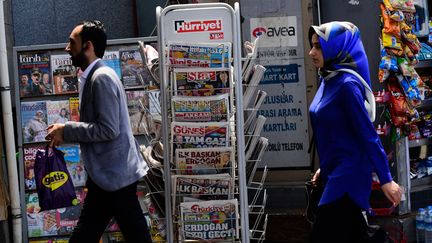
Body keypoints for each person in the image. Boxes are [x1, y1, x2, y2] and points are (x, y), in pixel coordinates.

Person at [45, 20, 152, 243]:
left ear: (88, 46)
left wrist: (67, 130)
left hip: (114, 177)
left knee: (126, 235)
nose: (67, 48)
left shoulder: (101, 77)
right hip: (108, 176)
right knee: (89, 233)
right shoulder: (95, 76)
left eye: (72, 43)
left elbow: (108, 129)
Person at [308, 21, 402, 242]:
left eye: (318, 46)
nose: (312, 52)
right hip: (334, 172)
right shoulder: (328, 78)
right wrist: (324, 167)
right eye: (312, 45)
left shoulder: (347, 85)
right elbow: (337, 130)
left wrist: (386, 178)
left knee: (324, 234)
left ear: (337, 47)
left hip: (348, 176)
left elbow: (366, 134)